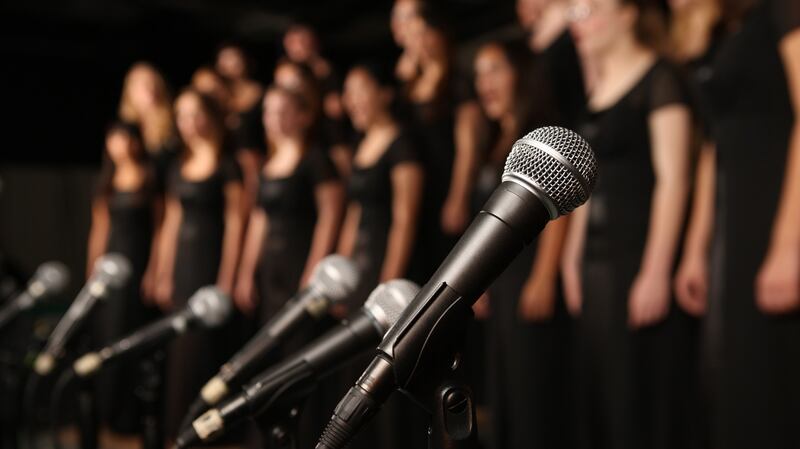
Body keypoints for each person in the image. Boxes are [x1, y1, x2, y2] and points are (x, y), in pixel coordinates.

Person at [562, 1, 694, 447]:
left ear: (629, 13)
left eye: (591, 9)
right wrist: (570, 259)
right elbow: (584, 186)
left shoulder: (660, 78)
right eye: (575, 12)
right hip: (595, 265)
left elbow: (675, 179)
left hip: (636, 256)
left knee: (636, 396)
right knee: (599, 395)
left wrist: (656, 270)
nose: (580, 22)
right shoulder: (595, 95)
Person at [673, 0, 800, 447]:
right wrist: (695, 249)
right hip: (734, 220)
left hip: (777, 207)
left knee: (772, 371)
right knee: (733, 374)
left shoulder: (780, 10)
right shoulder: (717, 33)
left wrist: (789, 245)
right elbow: (714, 147)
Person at [470, 41, 570, 449]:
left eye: (494, 69)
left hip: (531, 273)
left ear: (520, 74)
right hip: (504, 280)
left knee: (533, 394)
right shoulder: (495, 137)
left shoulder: (540, 134)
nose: (484, 83)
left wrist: (545, 276)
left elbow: (560, 211)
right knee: (505, 390)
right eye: (478, 74)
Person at [338, 62, 425, 449]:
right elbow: (354, 214)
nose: (352, 101)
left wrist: (387, 287)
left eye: (360, 90)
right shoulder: (362, 145)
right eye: (347, 93)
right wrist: (341, 271)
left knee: (385, 369)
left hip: (386, 268)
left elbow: (405, 219)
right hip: (360, 265)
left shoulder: (402, 144)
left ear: (385, 94)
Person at [154, 89, 245, 444]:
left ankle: (212, 435)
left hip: (211, 263)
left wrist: (227, 278)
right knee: (181, 353)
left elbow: (237, 223)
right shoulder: (179, 164)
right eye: (182, 115)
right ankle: (179, 433)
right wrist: (162, 271)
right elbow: (172, 223)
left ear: (210, 115)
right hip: (183, 267)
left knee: (207, 351)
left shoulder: (227, 163)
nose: (189, 123)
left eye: (195, 114)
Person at [86, 122, 160, 448]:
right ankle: (108, 413)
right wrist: (94, 273)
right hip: (111, 267)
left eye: (128, 138)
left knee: (131, 333)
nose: (122, 144)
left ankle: (131, 416)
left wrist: (156, 269)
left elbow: (161, 227)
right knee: (107, 335)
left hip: (139, 262)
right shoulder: (107, 181)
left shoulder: (149, 176)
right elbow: (99, 229)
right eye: (115, 138)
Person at [118, 62, 178, 191]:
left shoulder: (174, 125)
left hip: (168, 191)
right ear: (130, 92)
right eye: (142, 85)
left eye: (153, 83)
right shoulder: (125, 129)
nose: (150, 89)